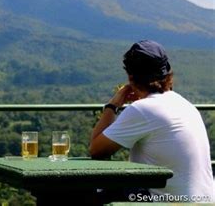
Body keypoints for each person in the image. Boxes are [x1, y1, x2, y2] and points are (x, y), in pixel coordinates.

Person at [90, 40, 214, 203]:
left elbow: (96, 150)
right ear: (167, 74)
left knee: (91, 192)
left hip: (172, 202)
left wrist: (113, 105)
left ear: (130, 77)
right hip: (205, 200)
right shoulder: (185, 104)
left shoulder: (143, 109)